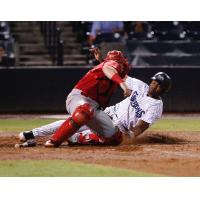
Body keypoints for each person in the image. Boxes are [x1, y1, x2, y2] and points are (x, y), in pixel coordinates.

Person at [18, 49, 172, 147]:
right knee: (75, 119)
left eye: (158, 85)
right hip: (109, 113)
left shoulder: (156, 106)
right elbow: (115, 73)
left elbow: (142, 125)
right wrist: (102, 61)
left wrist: (130, 136)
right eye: (153, 82)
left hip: (119, 126)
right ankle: (31, 134)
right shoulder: (140, 85)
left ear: (164, 90)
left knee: (82, 135)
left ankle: (72, 139)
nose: (154, 85)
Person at [36, 49, 131, 148]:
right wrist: (123, 85)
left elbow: (107, 69)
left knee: (115, 138)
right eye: (122, 63)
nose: (124, 66)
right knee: (84, 112)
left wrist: (101, 60)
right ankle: (54, 141)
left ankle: (76, 138)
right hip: (79, 97)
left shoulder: (106, 67)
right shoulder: (111, 66)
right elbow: (108, 68)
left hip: (95, 107)